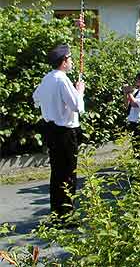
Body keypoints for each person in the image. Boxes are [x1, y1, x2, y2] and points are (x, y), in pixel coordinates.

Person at [33, 44, 85, 218]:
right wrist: (80, 92)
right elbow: (76, 106)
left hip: (51, 130)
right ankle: (67, 215)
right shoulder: (63, 79)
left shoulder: (47, 78)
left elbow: (36, 98)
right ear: (63, 62)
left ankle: (57, 213)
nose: (71, 62)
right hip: (65, 132)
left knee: (56, 174)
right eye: (69, 59)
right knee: (68, 175)